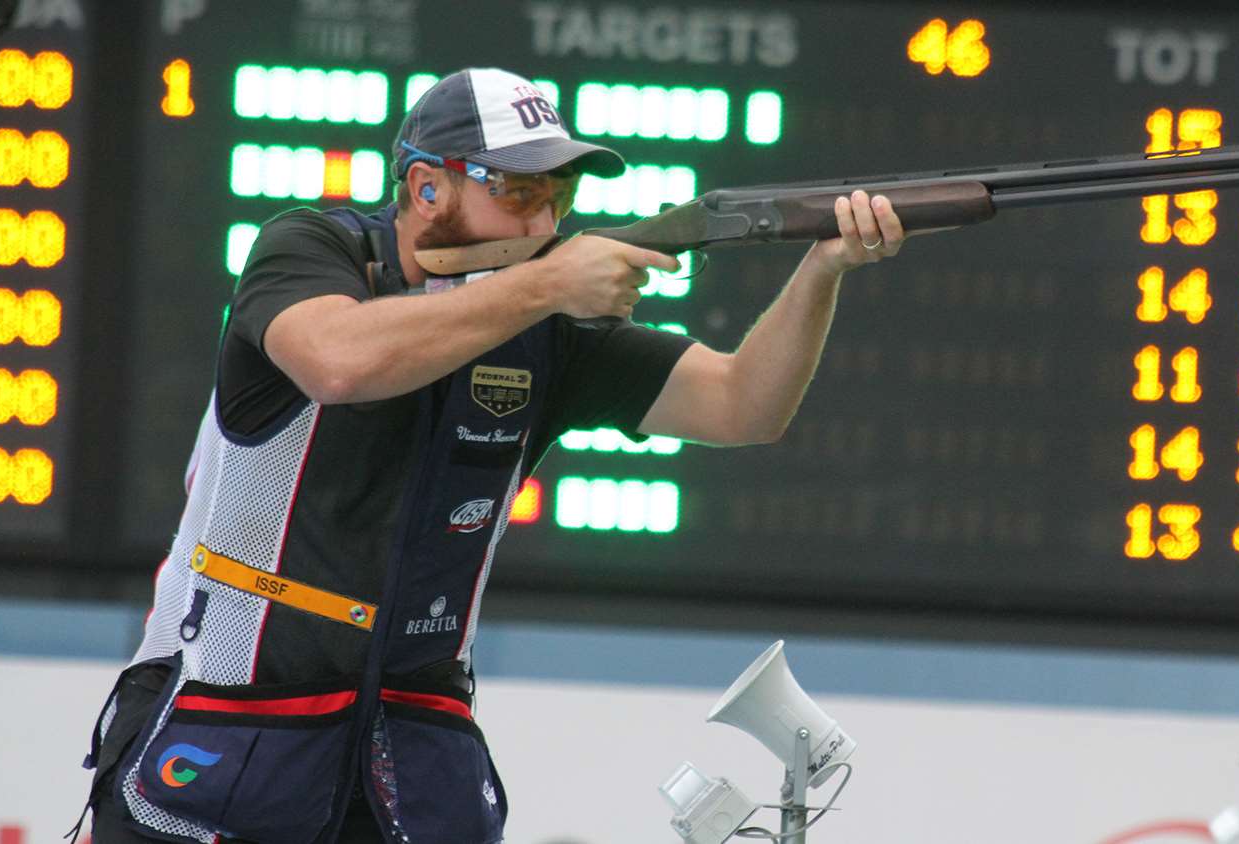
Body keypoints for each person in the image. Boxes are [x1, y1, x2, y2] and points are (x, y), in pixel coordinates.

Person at [76, 67, 905, 844]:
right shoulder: (311, 249)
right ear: (424, 186)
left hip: (409, 759)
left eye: (559, 193)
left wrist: (822, 269)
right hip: (222, 729)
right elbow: (338, 362)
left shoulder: (554, 334)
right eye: (516, 190)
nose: (546, 221)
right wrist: (547, 287)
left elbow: (743, 405)